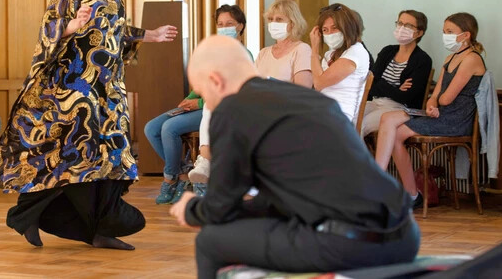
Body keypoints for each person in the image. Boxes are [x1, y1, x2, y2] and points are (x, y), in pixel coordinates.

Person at [0, 0, 178, 251]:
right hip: (75, 90)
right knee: (75, 158)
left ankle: (101, 226)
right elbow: (48, 30)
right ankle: (31, 214)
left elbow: (115, 31)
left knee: (112, 157)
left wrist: (149, 35)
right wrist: (71, 25)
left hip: (108, 90)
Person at [169, 35, 419, 278]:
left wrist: (191, 209)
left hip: (347, 244)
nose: (207, 104)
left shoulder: (232, 109)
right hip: (404, 236)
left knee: (210, 240)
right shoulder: (306, 98)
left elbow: (220, 208)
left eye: (203, 93)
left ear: (215, 81)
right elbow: (272, 201)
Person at [188, 0, 311, 188]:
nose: (273, 24)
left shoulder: (302, 50)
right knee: (214, 105)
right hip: (259, 106)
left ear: (292, 22)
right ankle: (206, 158)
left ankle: (217, 168)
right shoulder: (264, 53)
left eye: (279, 19)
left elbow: (302, 91)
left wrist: (271, 85)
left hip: (283, 109)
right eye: (270, 19)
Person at [374, 13, 486, 209]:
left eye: (450, 32)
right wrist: (432, 102)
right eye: (444, 32)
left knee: (397, 132)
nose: (446, 36)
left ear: (466, 35)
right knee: (389, 121)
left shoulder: (471, 59)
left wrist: (436, 102)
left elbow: (447, 98)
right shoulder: (450, 57)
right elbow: (437, 94)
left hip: (455, 119)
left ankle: (397, 190)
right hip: (440, 113)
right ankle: (403, 191)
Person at [146, 4, 248, 204]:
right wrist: (190, 98)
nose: (224, 27)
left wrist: (199, 102)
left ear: (240, 27)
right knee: (152, 128)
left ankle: (170, 179)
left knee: (169, 128)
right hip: (199, 103)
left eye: (230, 24)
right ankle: (184, 174)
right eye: (220, 24)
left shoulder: (242, 55)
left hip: (216, 109)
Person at [360, 10, 433, 137]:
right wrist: (396, 89)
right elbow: (371, 85)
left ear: (419, 32)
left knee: (362, 125)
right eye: (400, 23)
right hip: (376, 102)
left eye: (408, 26)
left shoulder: (423, 60)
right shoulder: (387, 51)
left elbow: (407, 97)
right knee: (347, 117)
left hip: (400, 109)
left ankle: (359, 157)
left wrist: (381, 83)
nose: (402, 28)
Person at [309, 3, 370, 123]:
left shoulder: (356, 51)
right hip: (324, 109)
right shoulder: (329, 54)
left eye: (335, 28)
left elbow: (319, 83)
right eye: (325, 30)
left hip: (340, 115)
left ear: (346, 27)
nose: (330, 33)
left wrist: (315, 51)